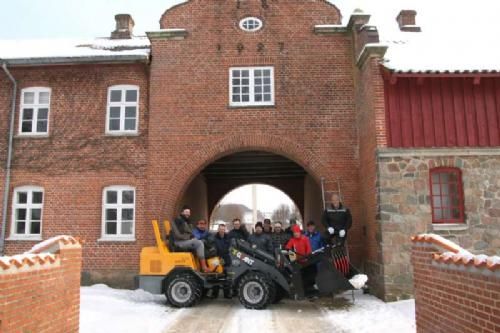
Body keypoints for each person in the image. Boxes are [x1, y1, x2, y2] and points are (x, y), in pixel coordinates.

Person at [171, 205, 210, 272]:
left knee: (200, 241)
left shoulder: (187, 222)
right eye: (186, 212)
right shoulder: (177, 221)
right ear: (182, 212)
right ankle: (204, 267)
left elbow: (191, 232)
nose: (188, 214)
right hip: (178, 242)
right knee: (199, 243)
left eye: (189, 212)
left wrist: (193, 237)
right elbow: (178, 235)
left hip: (185, 241)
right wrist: (190, 238)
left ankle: (199, 266)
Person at [212, 223, 232, 299]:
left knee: (226, 277)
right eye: (220, 229)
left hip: (226, 258)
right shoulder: (214, 238)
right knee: (216, 276)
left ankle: (227, 294)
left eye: (223, 229)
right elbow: (213, 248)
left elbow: (229, 247)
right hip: (217, 258)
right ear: (218, 229)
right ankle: (214, 294)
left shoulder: (228, 238)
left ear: (225, 230)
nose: (222, 230)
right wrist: (218, 257)